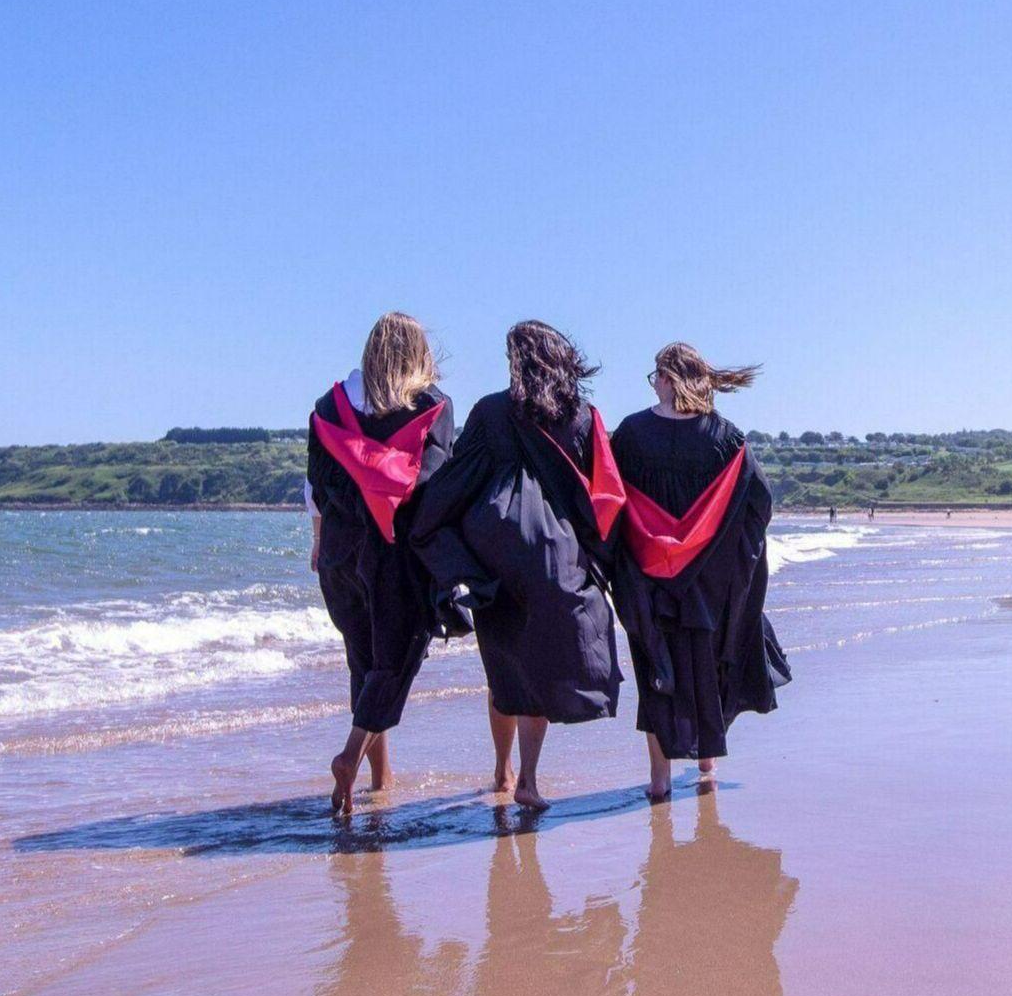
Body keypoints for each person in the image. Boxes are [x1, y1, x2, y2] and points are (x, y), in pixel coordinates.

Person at [407, 321, 626, 810]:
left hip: (496, 560)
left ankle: (501, 771)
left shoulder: (490, 412)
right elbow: (600, 496)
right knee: (540, 667)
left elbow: (455, 481)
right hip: (559, 562)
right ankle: (527, 777)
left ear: (517, 361)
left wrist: (434, 532)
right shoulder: (583, 417)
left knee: (505, 670)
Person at [610, 342, 788, 801]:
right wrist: (730, 558)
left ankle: (660, 778)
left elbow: (610, 498)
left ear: (668, 378)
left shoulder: (630, 434)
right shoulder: (725, 437)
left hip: (647, 576)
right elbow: (759, 503)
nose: (655, 384)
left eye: (656, 376)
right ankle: (707, 762)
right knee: (705, 663)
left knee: (655, 664)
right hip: (708, 580)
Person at [305, 313, 459, 817]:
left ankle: (380, 776)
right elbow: (436, 489)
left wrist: (318, 544)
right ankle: (351, 757)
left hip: (340, 554)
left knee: (363, 659)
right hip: (397, 553)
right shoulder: (433, 406)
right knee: (395, 662)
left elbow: (316, 490)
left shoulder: (328, 407)